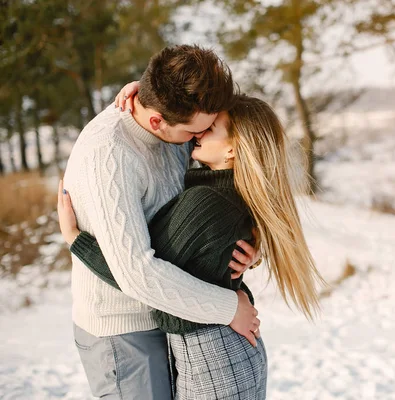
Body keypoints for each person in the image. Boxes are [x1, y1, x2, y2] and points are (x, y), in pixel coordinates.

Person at [59, 94, 325, 399]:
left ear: (232, 148)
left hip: (214, 363)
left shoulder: (206, 202)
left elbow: (138, 273)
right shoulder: (222, 191)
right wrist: (145, 91)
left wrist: (77, 240)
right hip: (226, 354)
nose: (199, 131)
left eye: (212, 127)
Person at [60, 45, 262, 400]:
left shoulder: (171, 123)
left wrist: (251, 243)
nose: (199, 136)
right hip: (125, 333)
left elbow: (220, 196)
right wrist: (230, 307)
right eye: (195, 131)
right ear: (157, 121)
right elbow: (137, 273)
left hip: (171, 314)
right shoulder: (108, 156)